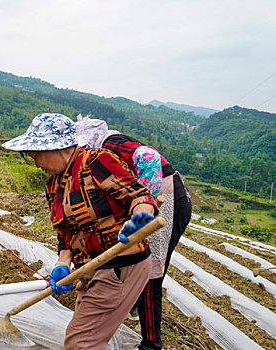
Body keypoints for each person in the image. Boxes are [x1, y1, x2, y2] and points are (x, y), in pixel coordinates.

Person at [2, 113, 158, 350]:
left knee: (81, 342)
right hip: (88, 268)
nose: (35, 163)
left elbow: (140, 195)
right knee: (83, 337)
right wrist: (62, 263)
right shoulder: (53, 184)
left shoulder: (96, 162)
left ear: (57, 147)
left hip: (119, 267)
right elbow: (64, 232)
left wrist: (140, 218)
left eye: (36, 155)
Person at [74, 115, 192, 350]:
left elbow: (147, 156)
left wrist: (144, 197)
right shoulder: (99, 154)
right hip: (154, 201)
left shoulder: (110, 144)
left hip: (166, 199)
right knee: (135, 260)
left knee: (150, 271)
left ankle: (151, 344)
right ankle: (135, 304)